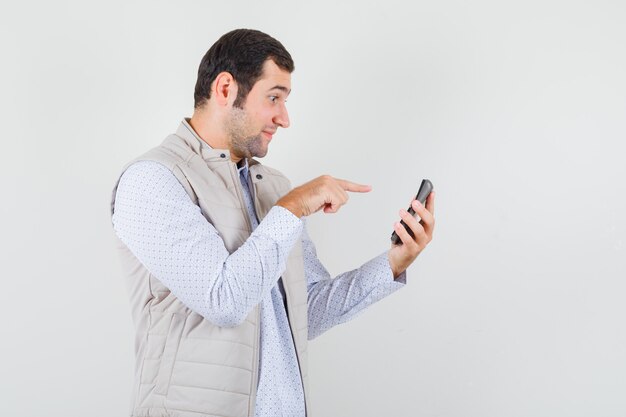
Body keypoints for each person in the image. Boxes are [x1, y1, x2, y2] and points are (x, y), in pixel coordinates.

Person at [111, 28, 435, 417]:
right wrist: (292, 208)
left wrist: (392, 264)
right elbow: (224, 300)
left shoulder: (272, 188)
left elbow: (302, 312)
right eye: (274, 98)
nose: (284, 118)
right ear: (226, 88)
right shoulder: (154, 180)